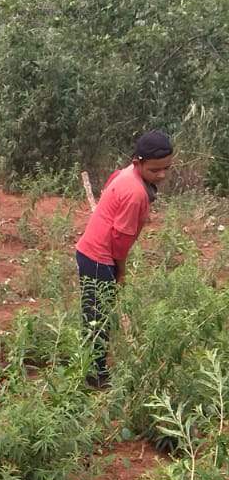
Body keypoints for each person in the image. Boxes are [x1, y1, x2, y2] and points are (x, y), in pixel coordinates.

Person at [75, 130, 173, 388]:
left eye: (167, 168)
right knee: (98, 317)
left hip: (91, 251)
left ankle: (91, 368)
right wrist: (120, 271)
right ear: (137, 162)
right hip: (99, 256)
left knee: (95, 312)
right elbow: (121, 238)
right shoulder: (136, 193)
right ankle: (95, 377)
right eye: (155, 170)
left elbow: (111, 182)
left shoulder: (126, 174)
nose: (161, 175)